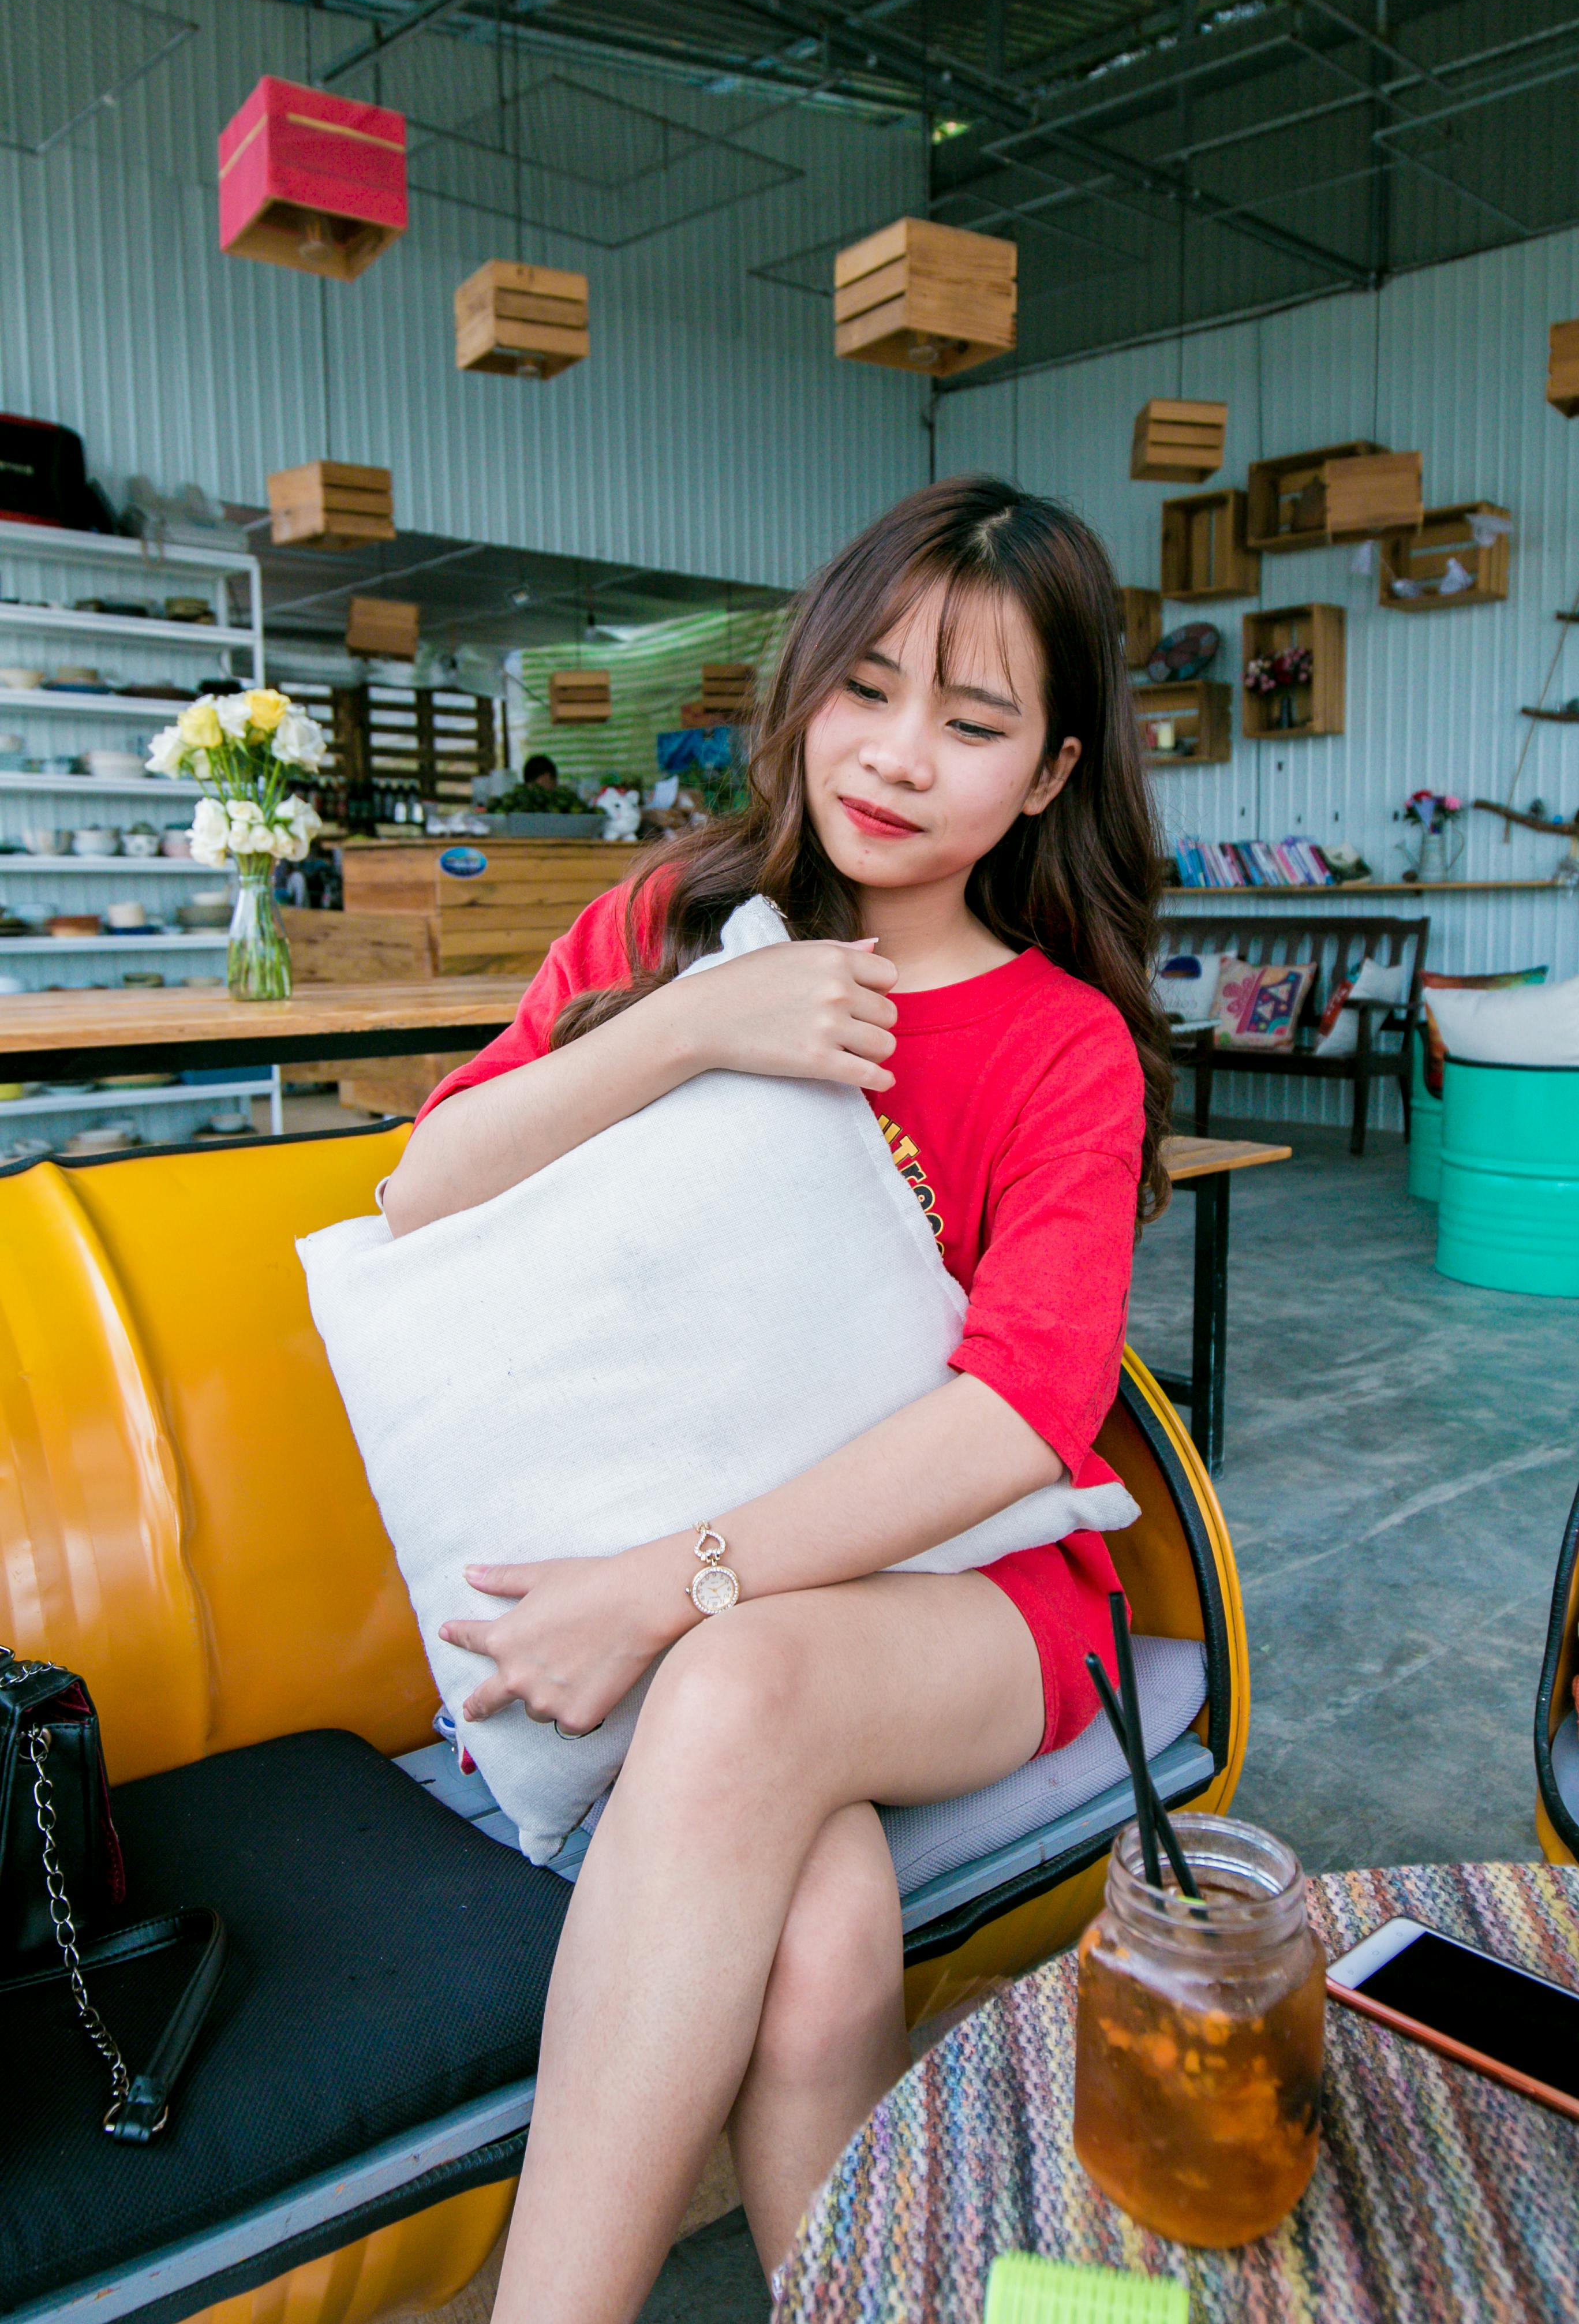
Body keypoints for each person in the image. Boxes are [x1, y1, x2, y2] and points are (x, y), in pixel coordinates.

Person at [381, 476, 1172, 2324]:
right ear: (806, 687)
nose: (897, 758)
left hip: (973, 1598)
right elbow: (421, 1196)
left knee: (735, 1676)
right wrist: (693, 1024)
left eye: (973, 725)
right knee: (820, 1952)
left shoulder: (1065, 1044)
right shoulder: (670, 922)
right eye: (867, 689)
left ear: (1050, 775)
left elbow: (1016, 1426)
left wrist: (667, 1585)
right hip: (710, 1553)